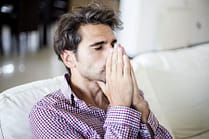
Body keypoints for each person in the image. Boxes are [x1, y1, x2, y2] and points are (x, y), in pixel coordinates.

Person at [29, 3, 172, 139]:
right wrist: (120, 108)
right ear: (69, 59)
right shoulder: (49, 113)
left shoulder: (128, 93)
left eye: (113, 44)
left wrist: (142, 109)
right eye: (98, 47)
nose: (113, 53)